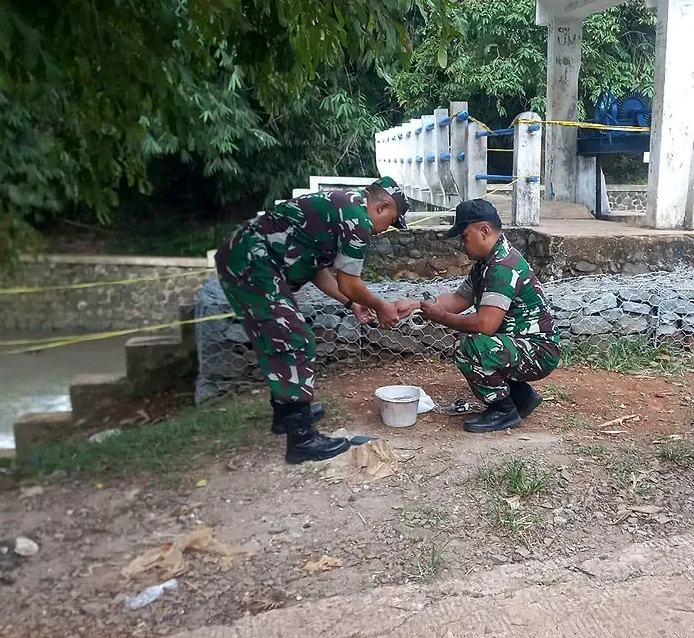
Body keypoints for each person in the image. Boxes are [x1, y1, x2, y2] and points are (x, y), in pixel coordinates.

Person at [215, 178, 408, 464]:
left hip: (251, 259)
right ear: (381, 207)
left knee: (282, 336)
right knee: (294, 341)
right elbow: (350, 283)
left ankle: (288, 417)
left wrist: (353, 304)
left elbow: (317, 270)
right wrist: (380, 306)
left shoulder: (345, 206)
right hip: (253, 263)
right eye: (391, 222)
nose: (385, 230)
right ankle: (301, 439)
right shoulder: (358, 221)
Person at [396, 199, 560, 433]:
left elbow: (485, 325)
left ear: (484, 230)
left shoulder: (502, 266)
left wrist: (440, 317)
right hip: (526, 345)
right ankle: (522, 397)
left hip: (539, 351)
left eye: (464, 236)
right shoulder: (487, 262)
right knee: (481, 344)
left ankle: (503, 410)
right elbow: (458, 300)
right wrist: (415, 306)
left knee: (470, 347)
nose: (462, 244)